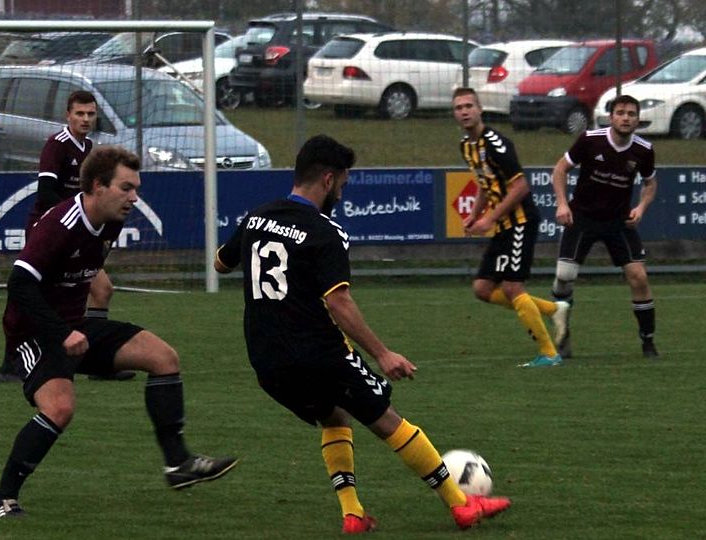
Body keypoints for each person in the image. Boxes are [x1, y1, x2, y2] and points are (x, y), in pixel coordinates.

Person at [214, 134, 510, 533]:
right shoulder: (326, 231)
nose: (341, 192)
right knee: (387, 420)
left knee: (333, 415)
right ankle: (461, 505)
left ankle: (352, 512)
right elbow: (339, 302)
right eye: (343, 183)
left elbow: (221, 264)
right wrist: (383, 354)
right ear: (328, 179)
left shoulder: (256, 217)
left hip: (266, 360)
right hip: (319, 353)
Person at [0, 145, 238, 518]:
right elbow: (19, 285)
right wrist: (62, 333)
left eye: (136, 188)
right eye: (126, 188)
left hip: (74, 327)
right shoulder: (60, 225)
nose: (134, 197)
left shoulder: (111, 221)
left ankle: (178, 463)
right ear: (97, 186)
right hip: (34, 334)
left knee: (163, 358)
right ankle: (2, 499)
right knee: (60, 409)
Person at [0, 90, 134, 382]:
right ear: (67, 115)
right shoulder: (56, 145)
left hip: (76, 232)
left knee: (101, 290)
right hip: (49, 229)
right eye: (79, 113)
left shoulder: (90, 149)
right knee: (31, 288)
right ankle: (12, 359)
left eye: (90, 114)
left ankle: (95, 359)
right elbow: (45, 194)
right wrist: (70, 221)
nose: (85, 119)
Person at [452, 87, 569, 368]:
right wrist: (475, 214)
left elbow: (520, 187)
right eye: (459, 108)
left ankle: (549, 354)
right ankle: (553, 309)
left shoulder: (496, 143)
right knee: (482, 288)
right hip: (504, 224)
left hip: (520, 222)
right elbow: (485, 183)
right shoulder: (467, 146)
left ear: (480, 109)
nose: (465, 111)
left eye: (469, 106)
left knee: (512, 286)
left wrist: (489, 219)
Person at [550, 94, 659, 358]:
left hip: (618, 220)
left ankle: (648, 341)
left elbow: (650, 183)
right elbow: (560, 169)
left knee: (639, 277)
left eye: (631, 114)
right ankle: (562, 333)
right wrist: (562, 204)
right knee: (564, 277)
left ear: (638, 119)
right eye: (620, 113)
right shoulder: (590, 140)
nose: (625, 118)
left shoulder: (644, 150)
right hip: (582, 217)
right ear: (611, 117)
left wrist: (641, 208)